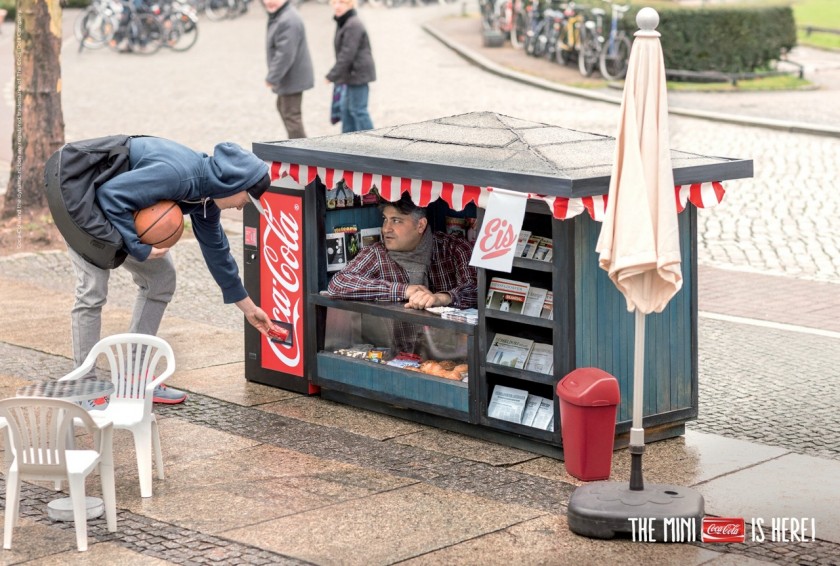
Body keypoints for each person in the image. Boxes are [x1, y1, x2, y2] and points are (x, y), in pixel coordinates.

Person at [69, 136, 277, 405]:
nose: (241, 206)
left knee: (161, 278)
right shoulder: (179, 175)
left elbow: (218, 253)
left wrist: (249, 309)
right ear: (233, 184)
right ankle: (83, 388)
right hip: (80, 192)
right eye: (245, 199)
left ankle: (133, 379)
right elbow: (111, 195)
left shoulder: (206, 197)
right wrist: (138, 247)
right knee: (92, 289)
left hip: (114, 204)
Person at [327, 196, 477, 309]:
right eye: (385, 219)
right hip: (395, 348)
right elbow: (338, 284)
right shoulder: (377, 253)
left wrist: (442, 298)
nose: (386, 229)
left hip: (447, 346)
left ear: (420, 225)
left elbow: (476, 290)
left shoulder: (452, 248)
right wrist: (403, 290)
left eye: (396, 221)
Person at [264, 0, 314, 139]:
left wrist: (272, 77)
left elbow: (285, 54)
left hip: (292, 77)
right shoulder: (280, 15)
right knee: (283, 108)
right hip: (289, 76)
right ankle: (297, 147)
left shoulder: (288, 20)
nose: (269, 2)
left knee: (292, 117)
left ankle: (302, 153)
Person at [325, 0, 376, 133]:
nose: (337, 6)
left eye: (341, 3)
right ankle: (348, 141)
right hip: (350, 75)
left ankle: (375, 144)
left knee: (358, 110)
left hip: (358, 74)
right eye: (334, 3)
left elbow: (347, 54)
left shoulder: (353, 24)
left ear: (350, 4)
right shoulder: (343, 21)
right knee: (346, 109)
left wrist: (332, 75)